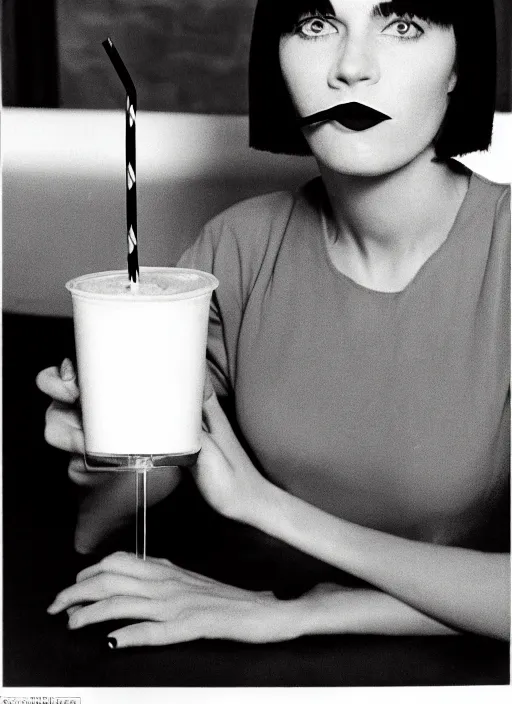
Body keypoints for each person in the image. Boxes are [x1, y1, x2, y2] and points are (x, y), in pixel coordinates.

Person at [37, 0, 510, 647]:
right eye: (316, 25)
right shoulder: (235, 246)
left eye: (402, 25)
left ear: (460, 67)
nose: (350, 67)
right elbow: (95, 532)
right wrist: (103, 459)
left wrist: (301, 599)